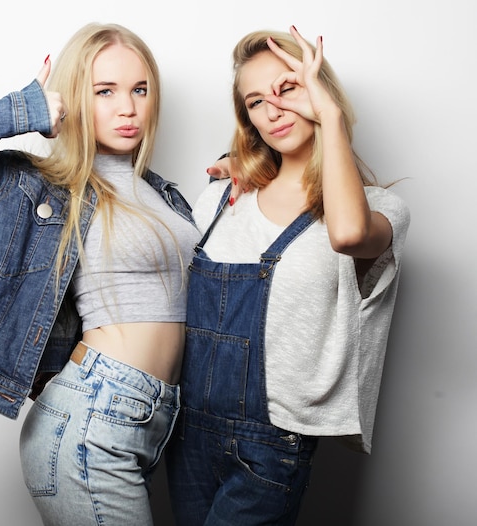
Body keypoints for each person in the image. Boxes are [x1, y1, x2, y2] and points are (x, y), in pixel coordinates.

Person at [0, 23, 200, 526]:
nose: (128, 107)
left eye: (140, 89)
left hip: (154, 420)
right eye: (106, 91)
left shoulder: (166, 196)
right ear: (74, 97)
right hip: (92, 418)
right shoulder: (39, 188)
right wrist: (18, 112)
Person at [165, 25, 410, 525]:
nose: (272, 110)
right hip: (186, 428)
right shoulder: (219, 198)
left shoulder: (379, 211)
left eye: (288, 87)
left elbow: (346, 234)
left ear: (320, 90)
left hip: (272, 442)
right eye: (255, 101)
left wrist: (331, 118)